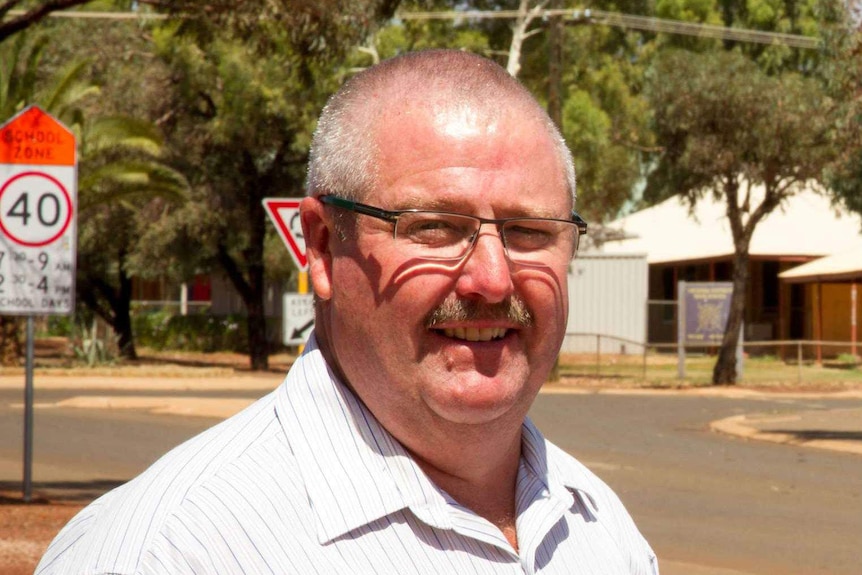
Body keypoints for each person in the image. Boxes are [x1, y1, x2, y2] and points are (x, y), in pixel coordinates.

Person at [37, 49, 658, 574]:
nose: (493, 279)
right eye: (435, 227)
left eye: (528, 230)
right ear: (325, 247)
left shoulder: (601, 530)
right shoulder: (172, 551)